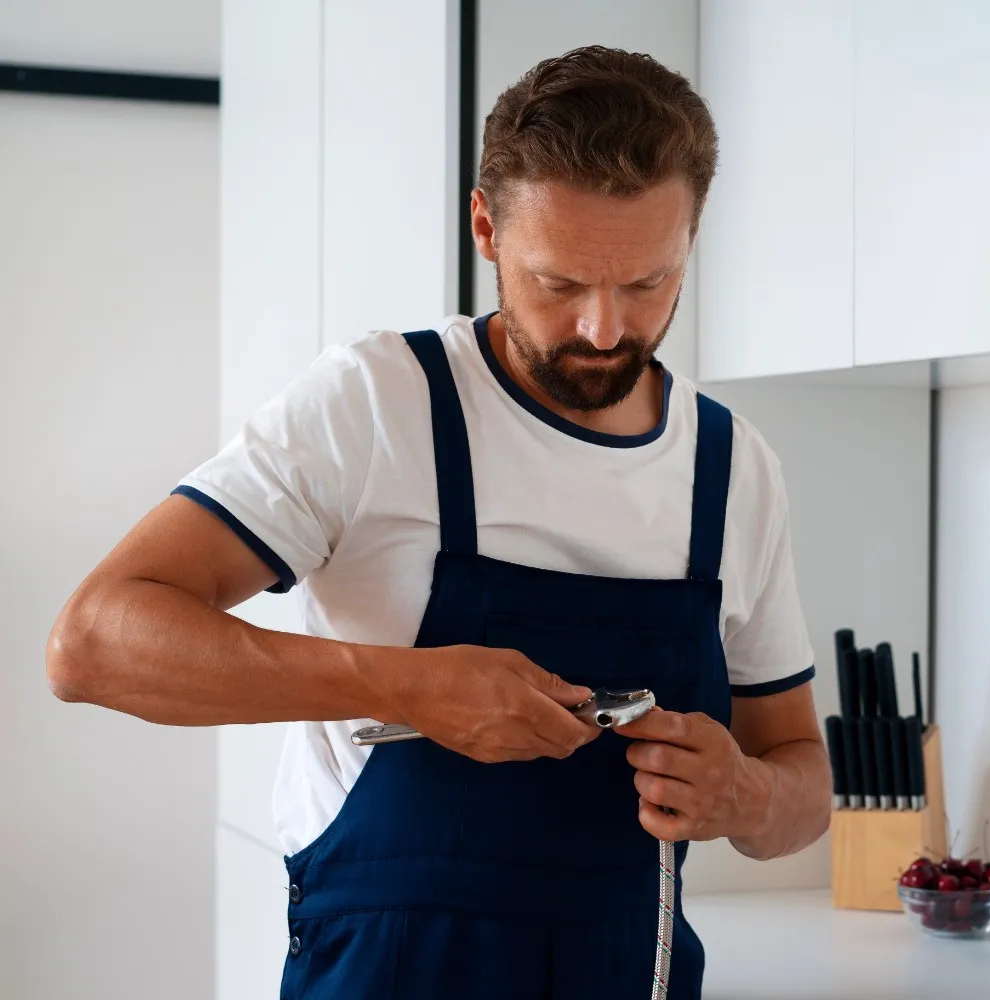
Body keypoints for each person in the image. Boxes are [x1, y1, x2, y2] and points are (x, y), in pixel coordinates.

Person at [46, 45, 831, 999]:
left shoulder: (734, 468)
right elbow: (93, 645)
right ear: (486, 228)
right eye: (560, 284)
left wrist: (748, 795)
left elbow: (802, 784)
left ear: (691, 237)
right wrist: (409, 687)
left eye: (646, 284)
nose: (602, 330)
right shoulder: (378, 403)